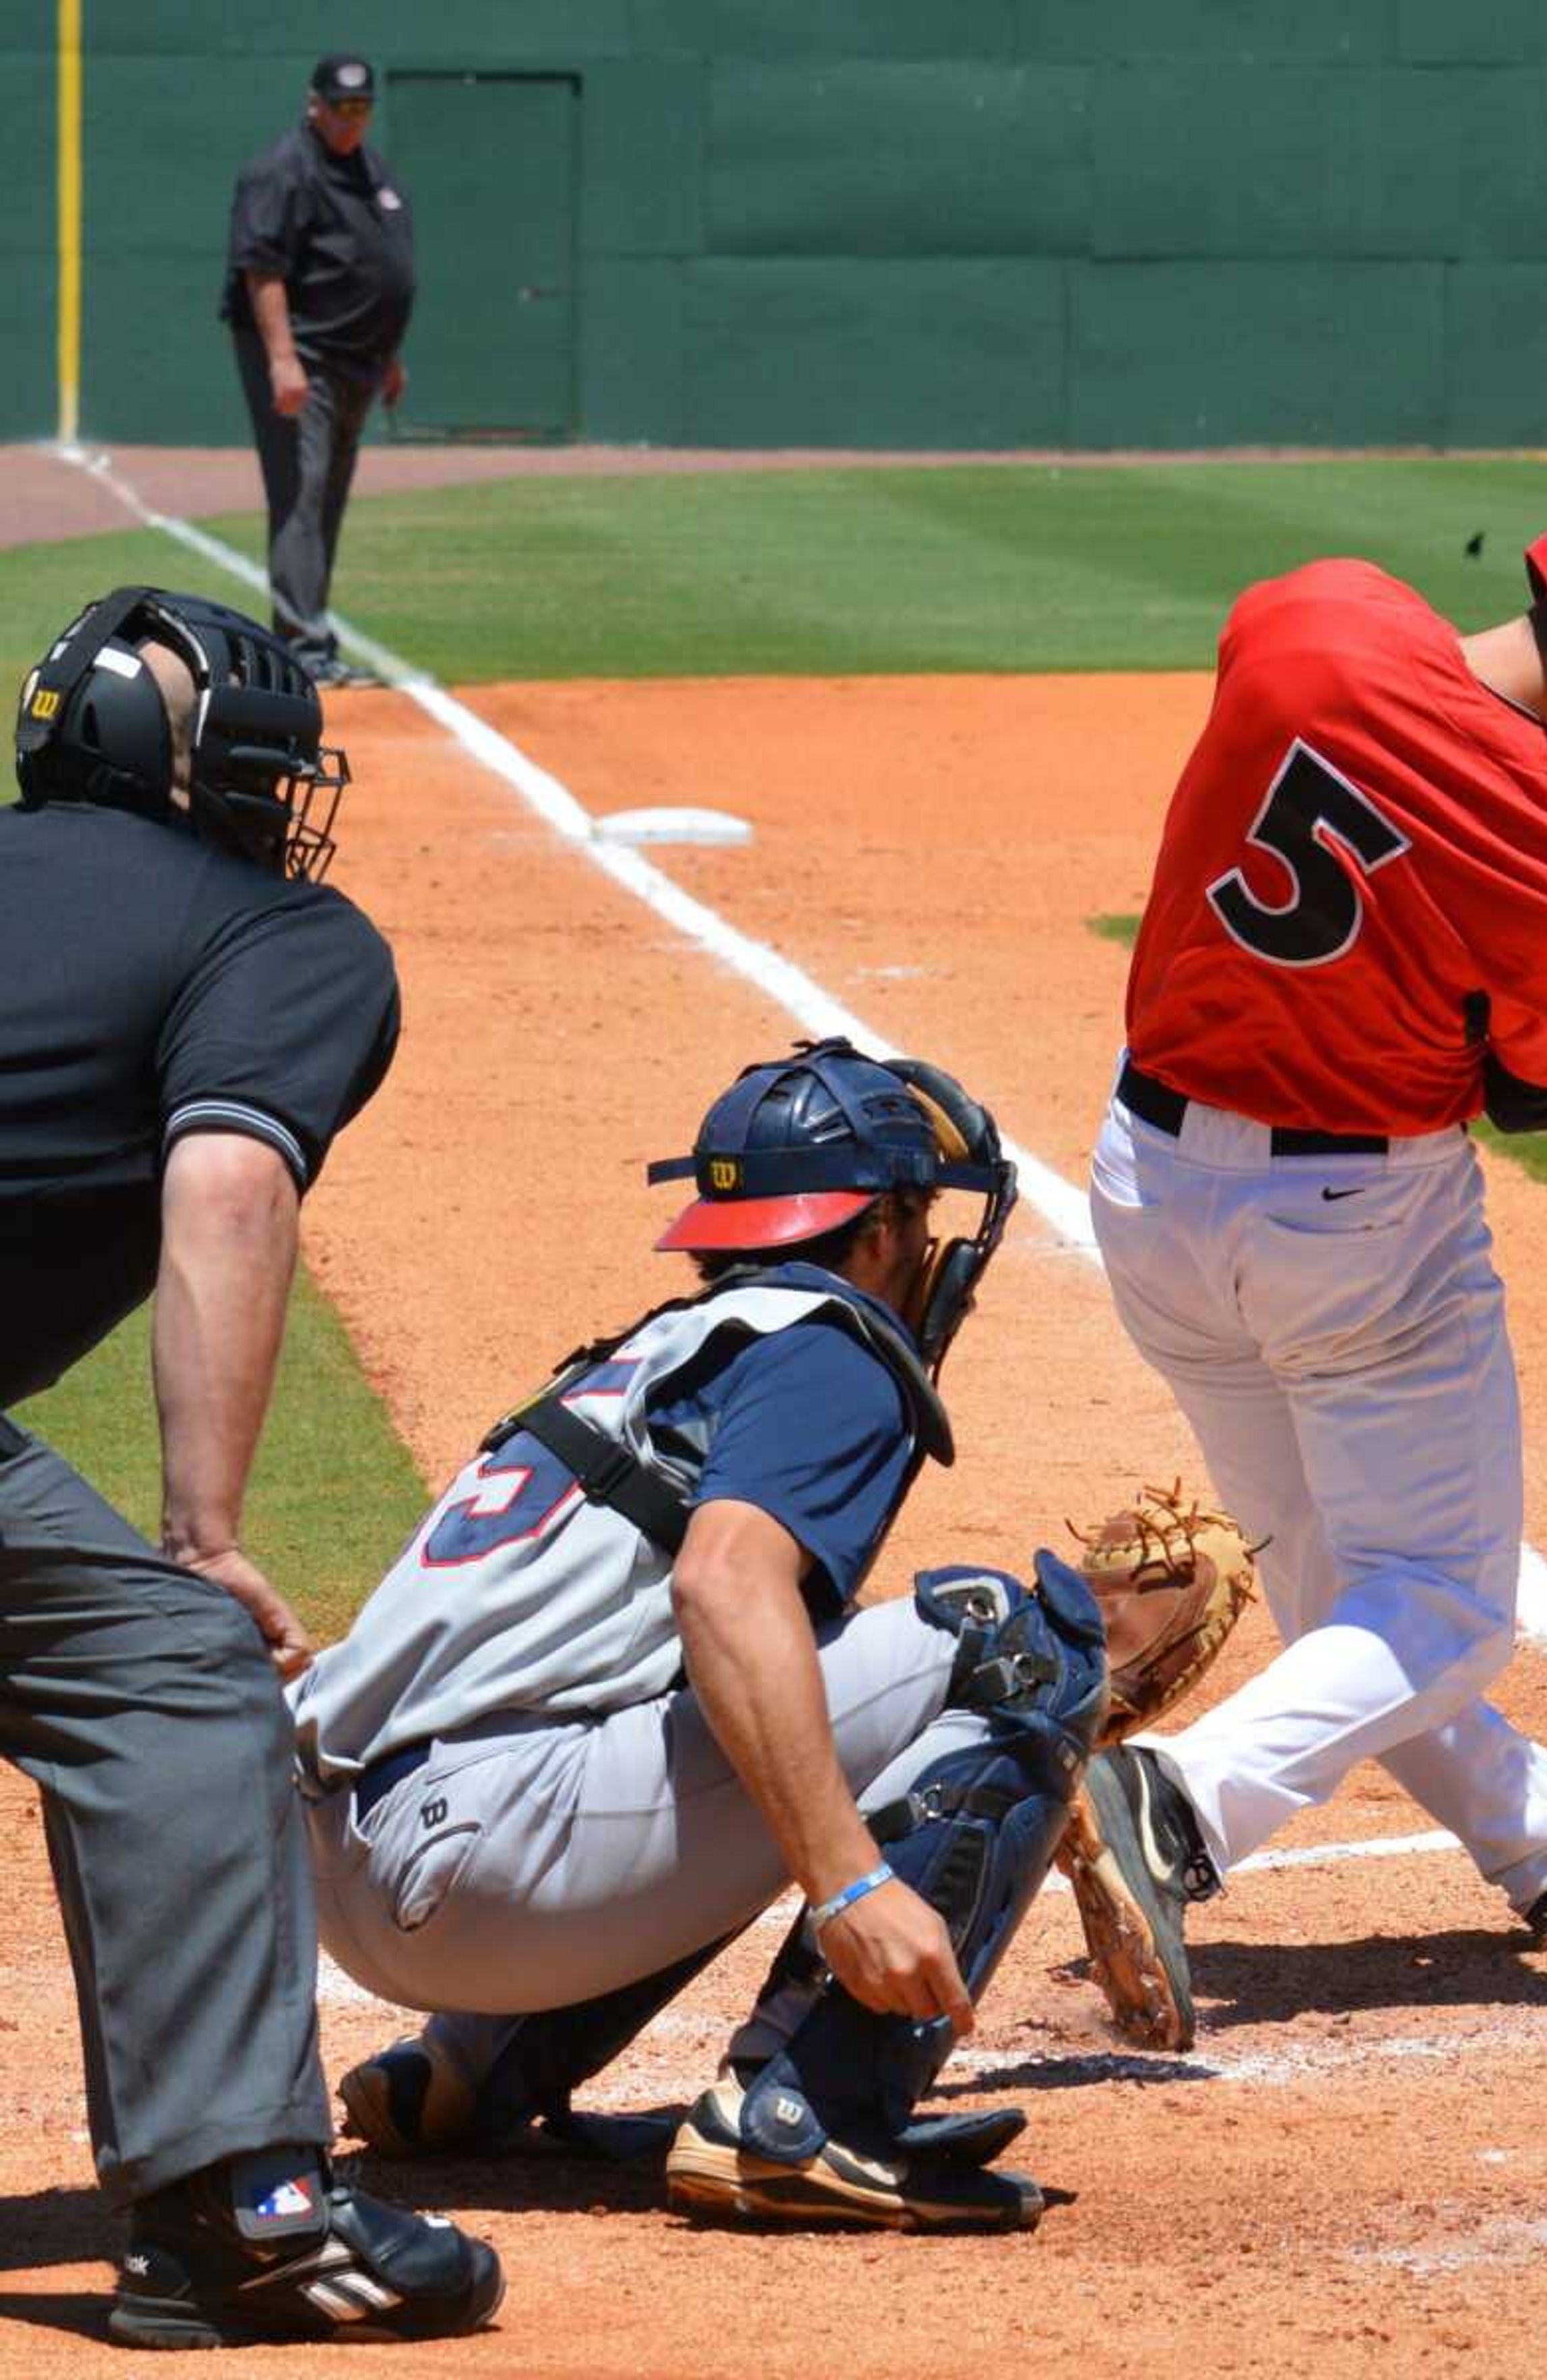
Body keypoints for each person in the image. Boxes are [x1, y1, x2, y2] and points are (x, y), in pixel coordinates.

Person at [1061, 470, 1547, 2054]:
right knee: (1446, 1605)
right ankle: (1175, 1803)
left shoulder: (1307, 615)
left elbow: (1359, 777)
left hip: (1145, 1187)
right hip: (1351, 1239)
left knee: (1336, 1572)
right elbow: (1535, 1088)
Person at [298, 1040, 1108, 2234]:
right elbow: (725, 1589)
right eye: (919, 1215)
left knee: (761, 1693)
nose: (932, 1249)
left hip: (357, 1870)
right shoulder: (827, 1346)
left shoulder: (658, 1354)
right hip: (495, 1866)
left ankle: (475, 2068)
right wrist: (852, 1882)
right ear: (877, 1229)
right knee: (1014, 1644)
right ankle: (812, 2115)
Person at [1, 588, 504, 2348]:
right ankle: (245, 2210)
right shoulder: (280, 933)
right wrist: (205, 1531)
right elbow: (231, 1180)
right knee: (172, 1664)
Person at [219, 53, 414, 691]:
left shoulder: (367, 169)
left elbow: (381, 266)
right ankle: (302, 647)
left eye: (362, 107)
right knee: (302, 493)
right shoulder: (283, 171)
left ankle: (308, 640)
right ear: (315, 105)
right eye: (342, 106)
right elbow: (262, 269)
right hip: (306, 357)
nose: (352, 119)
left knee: (327, 495)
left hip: (358, 360)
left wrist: (387, 354)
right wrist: (282, 359)